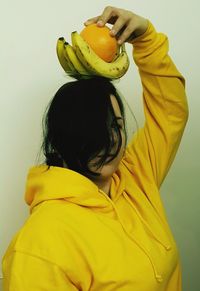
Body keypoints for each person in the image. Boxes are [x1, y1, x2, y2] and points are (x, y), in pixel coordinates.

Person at [2, 6, 189, 291]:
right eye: (94, 127)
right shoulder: (39, 244)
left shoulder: (136, 177)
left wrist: (146, 40)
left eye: (116, 125)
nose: (111, 139)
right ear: (62, 137)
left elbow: (170, 113)